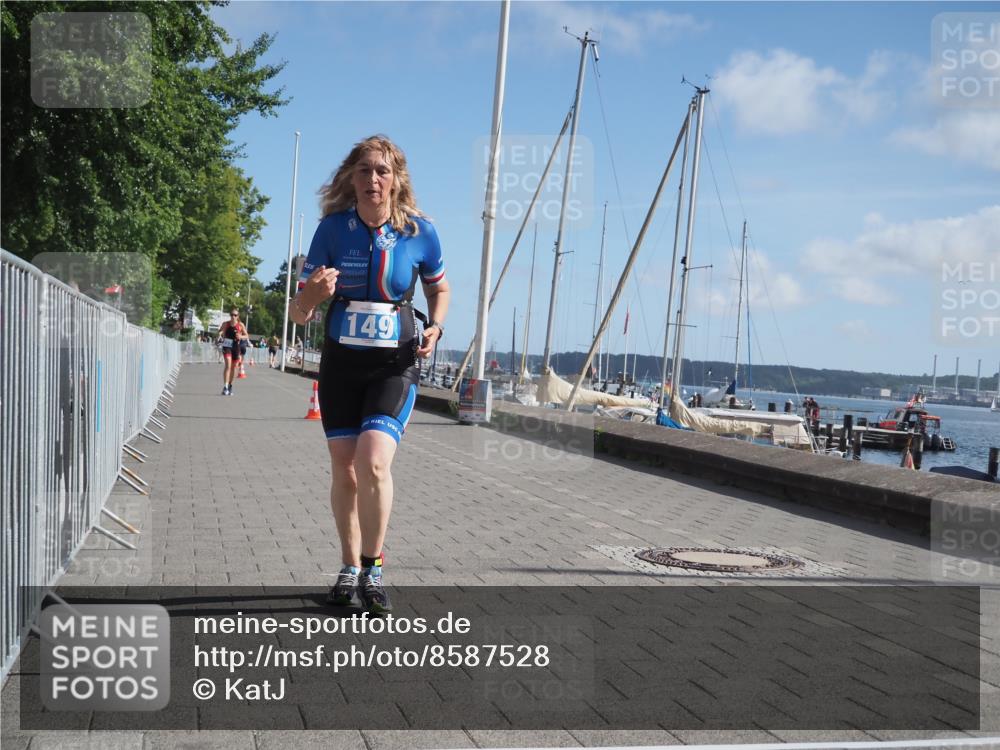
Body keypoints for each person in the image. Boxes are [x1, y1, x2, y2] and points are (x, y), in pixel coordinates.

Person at [289, 135, 450, 614]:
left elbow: (440, 289)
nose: (373, 179)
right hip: (341, 362)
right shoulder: (332, 230)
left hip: (392, 364)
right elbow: (299, 314)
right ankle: (347, 566)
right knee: (345, 471)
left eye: (383, 171)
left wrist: (437, 326)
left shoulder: (421, 232)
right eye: (365, 170)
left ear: (397, 178)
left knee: (374, 462)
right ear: (350, 178)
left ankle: (373, 566)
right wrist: (313, 295)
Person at [217, 309, 248, 395]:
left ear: (238, 316)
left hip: (235, 347)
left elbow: (246, 335)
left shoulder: (240, 325)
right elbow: (220, 331)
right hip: (227, 345)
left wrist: (241, 336)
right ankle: (225, 386)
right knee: (228, 365)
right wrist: (220, 334)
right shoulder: (226, 324)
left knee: (234, 368)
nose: (233, 317)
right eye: (231, 315)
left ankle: (230, 385)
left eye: (235, 315)